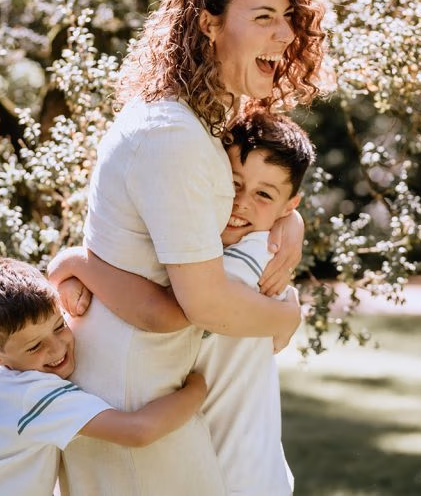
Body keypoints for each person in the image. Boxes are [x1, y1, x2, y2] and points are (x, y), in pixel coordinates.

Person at [55, 0, 329, 496]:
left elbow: (251, 196)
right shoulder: (172, 135)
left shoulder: (202, 124)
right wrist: (286, 317)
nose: (284, 35)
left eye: (288, 18)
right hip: (132, 394)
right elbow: (202, 301)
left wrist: (287, 223)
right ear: (208, 23)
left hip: (164, 390)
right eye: (264, 17)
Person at [49, 108, 316, 495]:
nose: (240, 202)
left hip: (236, 473)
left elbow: (174, 311)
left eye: (263, 194)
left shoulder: (252, 254)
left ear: (289, 205)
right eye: (233, 183)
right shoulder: (228, 244)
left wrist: (76, 264)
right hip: (239, 466)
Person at [0, 257, 208, 496]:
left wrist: (68, 279)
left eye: (59, 326)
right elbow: (137, 431)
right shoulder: (31, 394)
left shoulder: (2, 376)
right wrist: (196, 389)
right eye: (35, 346)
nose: (56, 348)